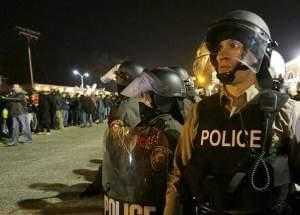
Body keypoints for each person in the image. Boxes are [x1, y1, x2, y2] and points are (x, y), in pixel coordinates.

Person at [164, 10, 300, 215]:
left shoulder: (287, 111)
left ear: (258, 53)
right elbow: (179, 174)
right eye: (219, 47)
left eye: (233, 45)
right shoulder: (200, 111)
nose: (222, 54)